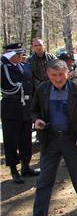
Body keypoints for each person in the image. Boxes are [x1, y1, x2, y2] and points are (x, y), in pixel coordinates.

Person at [25, 59, 77, 216]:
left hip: (74, 140)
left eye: (60, 75)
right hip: (50, 140)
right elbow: (33, 110)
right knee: (44, 180)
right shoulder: (43, 89)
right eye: (53, 75)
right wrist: (37, 120)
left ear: (67, 73)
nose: (57, 79)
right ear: (48, 75)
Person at [1, 42, 40, 183]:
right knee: (11, 140)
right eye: (17, 54)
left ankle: (26, 166)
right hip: (11, 107)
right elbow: (10, 86)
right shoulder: (3, 67)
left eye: (20, 54)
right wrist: (4, 58)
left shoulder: (26, 66)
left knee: (26, 139)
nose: (20, 57)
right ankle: (13, 170)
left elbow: (32, 86)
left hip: (26, 107)